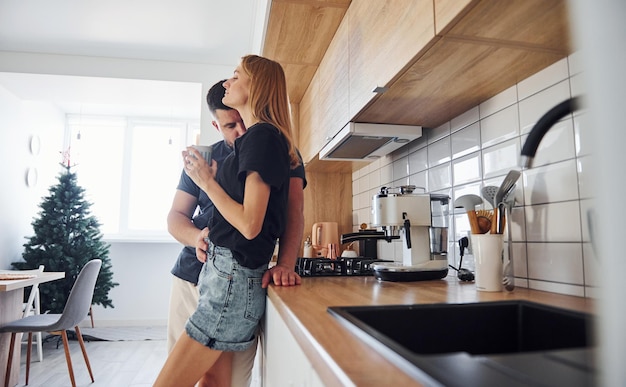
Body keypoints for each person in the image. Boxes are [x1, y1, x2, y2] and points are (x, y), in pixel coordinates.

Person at [157, 55, 303, 387]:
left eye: (236, 76)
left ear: (256, 87)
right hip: (221, 277)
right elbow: (179, 216)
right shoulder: (261, 140)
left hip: (230, 278)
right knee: (215, 383)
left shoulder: (262, 138)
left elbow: (252, 224)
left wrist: (207, 181)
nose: (227, 82)